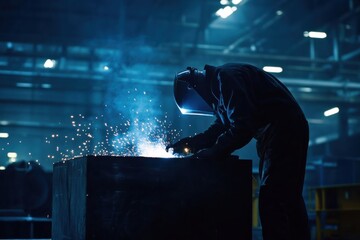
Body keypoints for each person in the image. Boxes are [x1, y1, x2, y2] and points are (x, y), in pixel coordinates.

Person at [166, 63, 310, 240]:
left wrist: (213, 153)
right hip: (280, 130)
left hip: (283, 130)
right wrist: (192, 143)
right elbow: (221, 126)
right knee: (285, 197)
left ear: (194, 89)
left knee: (275, 198)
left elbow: (242, 127)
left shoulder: (226, 79)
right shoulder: (219, 87)